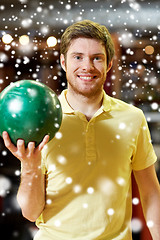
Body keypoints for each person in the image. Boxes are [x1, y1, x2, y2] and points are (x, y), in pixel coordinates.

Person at [2, 20, 160, 240]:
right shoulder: (43, 120)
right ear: (63, 63)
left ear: (109, 64)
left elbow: (151, 194)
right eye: (77, 57)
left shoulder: (133, 118)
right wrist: (30, 166)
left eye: (97, 58)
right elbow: (30, 213)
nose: (87, 66)